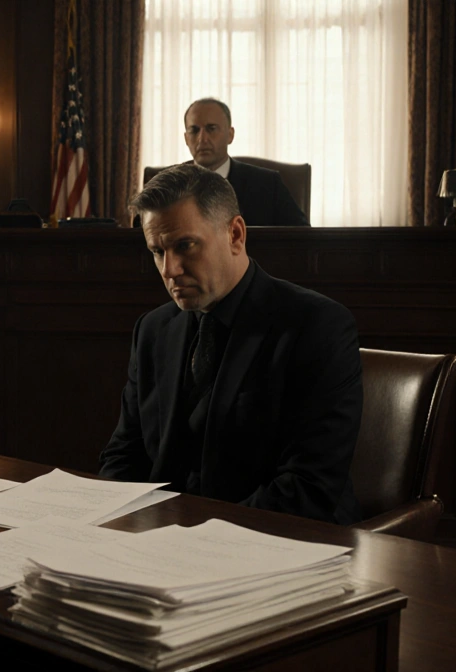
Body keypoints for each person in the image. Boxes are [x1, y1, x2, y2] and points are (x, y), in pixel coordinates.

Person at [100, 164, 362, 524]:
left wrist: (194, 541)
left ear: (236, 234)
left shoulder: (316, 326)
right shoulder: (153, 329)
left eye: (184, 246)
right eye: (157, 251)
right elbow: (123, 457)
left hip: (280, 547)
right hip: (160, 547)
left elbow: (306, 488)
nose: (169, 270)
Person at [182, 98, 310, 227]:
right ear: (186, 139)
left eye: (211, 129)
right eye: (194, 130)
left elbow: (303, 238)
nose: (202, 139)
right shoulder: (167, 184)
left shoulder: (268, 185)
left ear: (230, 135)